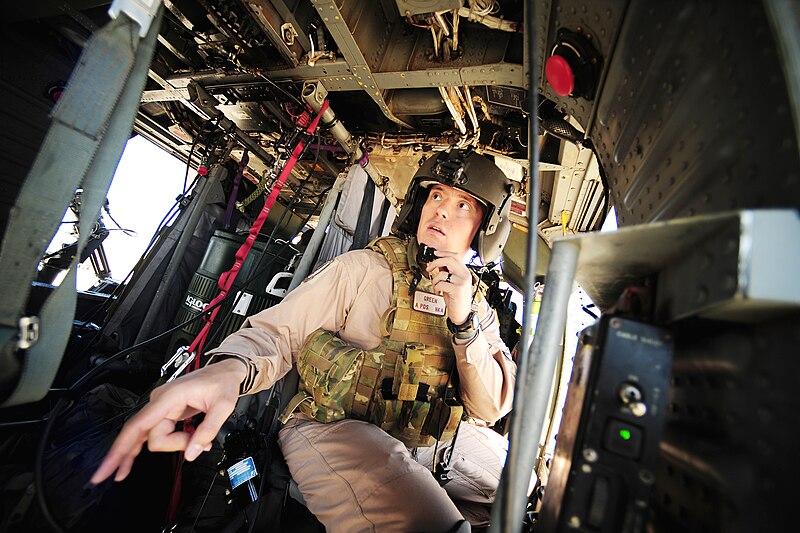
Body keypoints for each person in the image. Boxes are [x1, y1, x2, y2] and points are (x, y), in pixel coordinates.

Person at [92, 148, 518, 532]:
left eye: (462, 204)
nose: (441, 211)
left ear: (486, 227)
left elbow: (489, 406)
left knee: (520, 490)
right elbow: (279, 333)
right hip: (331, 424)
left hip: (423, 434)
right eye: (437, 196)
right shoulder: (364, 268)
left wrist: (464, 322)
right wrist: (228, 371)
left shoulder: (477, 304)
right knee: (422, 521)